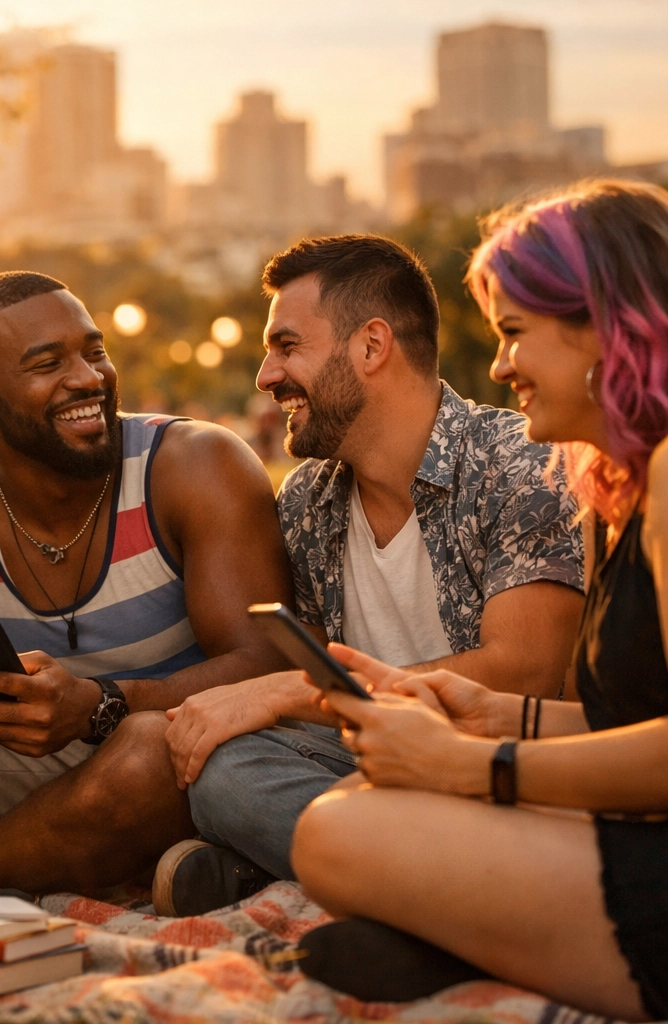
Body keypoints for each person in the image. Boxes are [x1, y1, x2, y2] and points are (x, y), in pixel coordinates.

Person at [290, 181, 668, 1022]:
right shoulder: (645, 475)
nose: (497, 367)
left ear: (606, 324)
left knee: (334, 835)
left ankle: (471, 946)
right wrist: (492, 716)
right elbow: (649, 718)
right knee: (365, 807)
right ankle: (487, 945)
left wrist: (470, 767)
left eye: (514, 333)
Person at [151, 235, 585, 917]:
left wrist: (281, 691)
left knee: (250, 754)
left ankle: (380, 881)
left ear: (371, 347)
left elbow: (526, 671)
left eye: (287, 347)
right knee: (227, 771)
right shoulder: (305, 500)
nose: (266, 377)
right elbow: (319, 680)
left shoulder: (521, 465)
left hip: (505, 771)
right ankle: (412, 881)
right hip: (378, 768)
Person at [0, 271, 294, 893]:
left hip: (193, 756)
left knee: (149, 748)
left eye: (94, 351)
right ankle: (143, 859)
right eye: (48, 363)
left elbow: (265, 660)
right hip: (51, 769)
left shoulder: (193, 465)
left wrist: (100, 705)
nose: (88, 378)